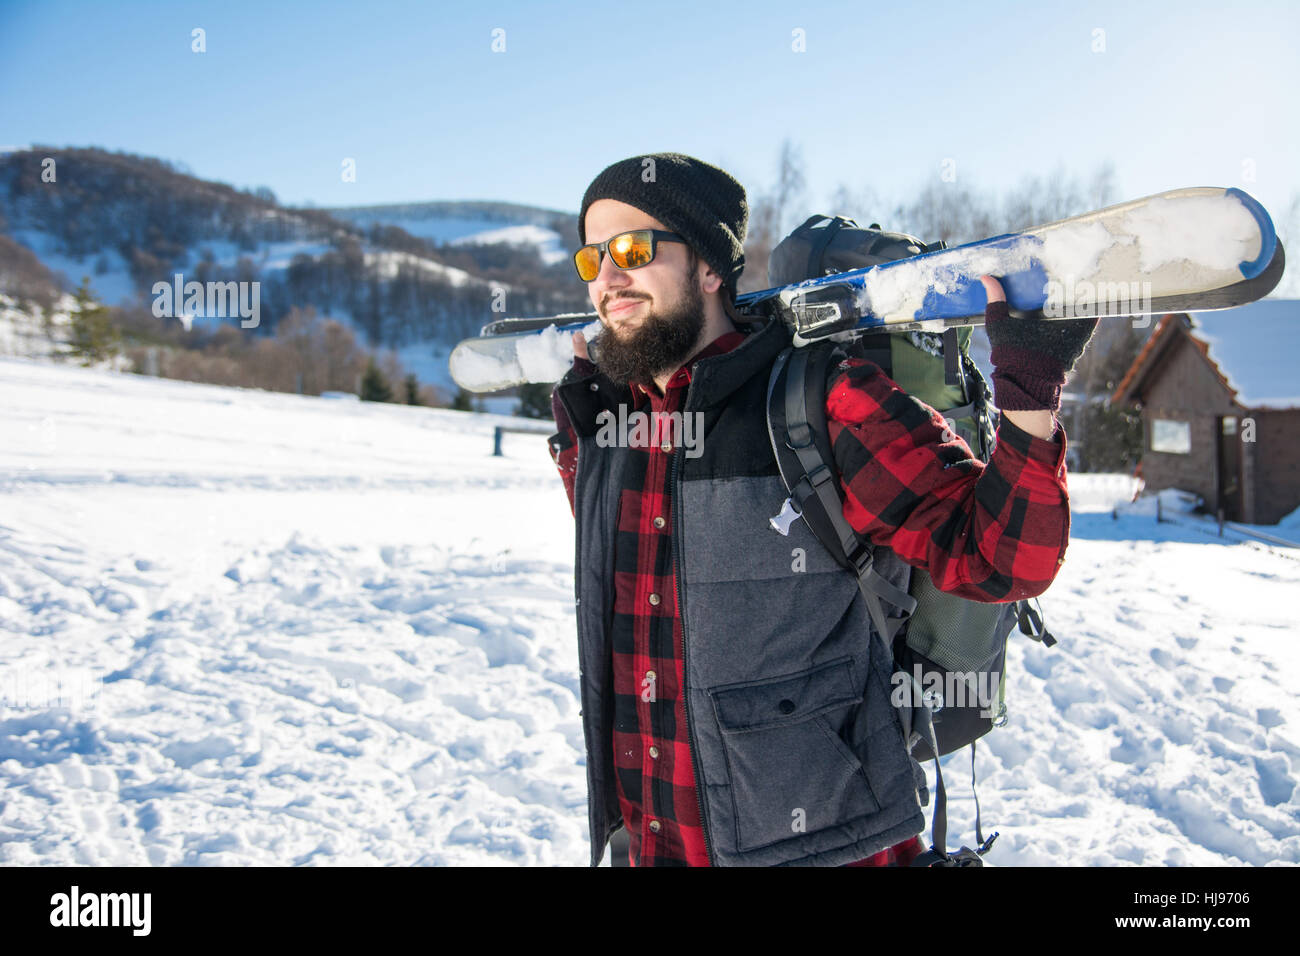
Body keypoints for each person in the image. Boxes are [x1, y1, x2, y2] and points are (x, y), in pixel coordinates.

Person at [547, 153, 1096, 867]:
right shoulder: (611, 426)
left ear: (710, 266)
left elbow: (999, 558)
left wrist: (1028, 400)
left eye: (632, 249)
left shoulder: (819, 401)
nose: (608, 278)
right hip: (653, 843)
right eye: (592, 259)